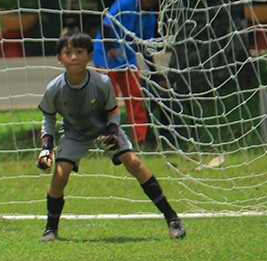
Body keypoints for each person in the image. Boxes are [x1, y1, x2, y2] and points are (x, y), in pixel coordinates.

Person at [37, 31, 186, 242]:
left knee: (132, 162)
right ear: (59, 58)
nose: (73, 57)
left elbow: (113, 112)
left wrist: (113, 133)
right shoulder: (54, 88)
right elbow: (48, 117)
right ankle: (50, 228)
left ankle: (172, 218)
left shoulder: (102, 82)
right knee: (60, 175)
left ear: (90, 56)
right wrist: (46, 147)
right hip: (74, 133)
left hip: (105, 130)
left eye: (79, 52)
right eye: (67, 52)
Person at [93, 0, 160, 146]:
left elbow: (146, 47)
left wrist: (154, 72)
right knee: (109, 99)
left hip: (127, 59)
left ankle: (141, 139)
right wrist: (110, 48)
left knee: (135, 96)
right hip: (106, 56)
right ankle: (105, 137)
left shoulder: (151, 16)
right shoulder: (124, 4)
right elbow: (105, 25)